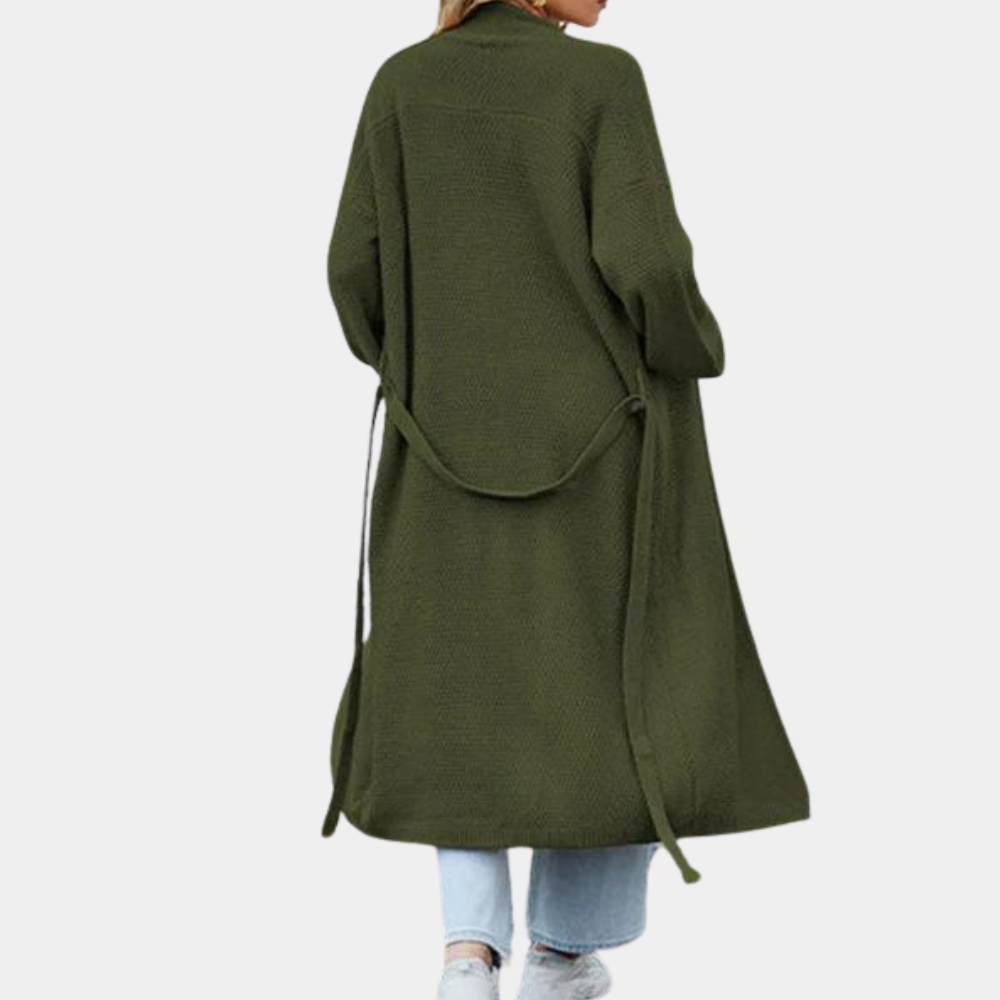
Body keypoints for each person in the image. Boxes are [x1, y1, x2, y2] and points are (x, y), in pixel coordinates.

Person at [322, 2, 811, 998]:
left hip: (441, 438)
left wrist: (427, 365)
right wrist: (691, 345)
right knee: (616, 673)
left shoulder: (401, 83)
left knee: (455, 688)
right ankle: (558, 956)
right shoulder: (600, 81)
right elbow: (649, 261)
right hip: (602, 444)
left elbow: (351, 270)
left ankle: (468, 957)